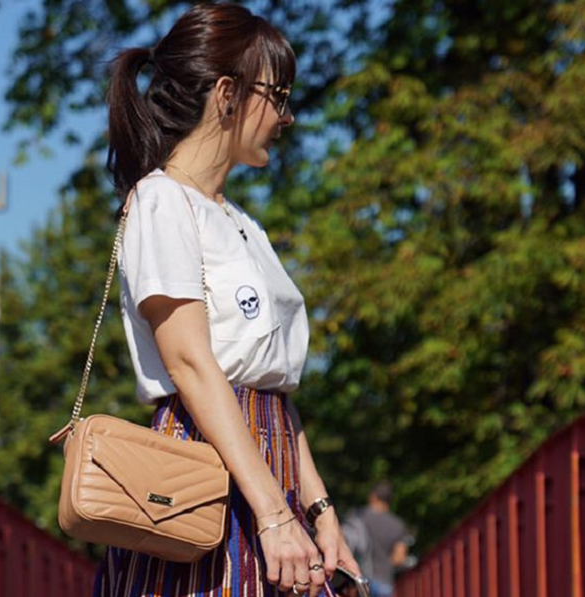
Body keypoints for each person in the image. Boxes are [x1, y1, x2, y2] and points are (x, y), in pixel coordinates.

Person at [93, 3, 362, 596]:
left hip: (272, 475)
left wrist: (320, 512)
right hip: (207, 477)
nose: (286, 116)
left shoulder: (242, 224)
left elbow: (274, 387)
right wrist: (271, 512)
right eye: (278, 93)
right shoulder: (162, 201)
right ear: (225, 93)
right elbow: (190, 363)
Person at [357, 482, 409, 597]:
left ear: (373, 496)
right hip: (384, 580)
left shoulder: (358, 518)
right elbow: (399, 558)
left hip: (358, 579)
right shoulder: (397, 524)